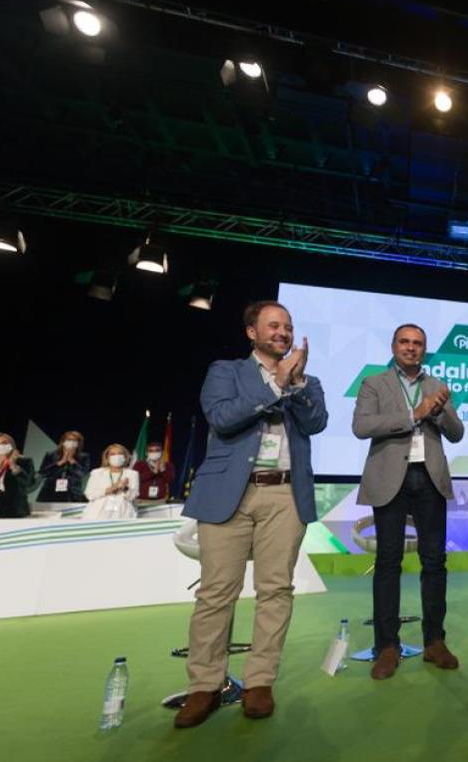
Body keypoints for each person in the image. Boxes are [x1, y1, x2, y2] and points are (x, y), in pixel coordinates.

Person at [174, 301, 327, 729]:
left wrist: (293, 386)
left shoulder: (307, 380)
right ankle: (204, 686)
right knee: (216, 593)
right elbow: (222, 419)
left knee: (275, 590)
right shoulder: (225, 371)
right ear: (251, 332)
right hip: (229, 494)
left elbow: (316, 424)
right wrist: (275, 385)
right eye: (274, 325)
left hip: (284, 495)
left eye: (289, 327)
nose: (283, 332)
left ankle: (261, 682)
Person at [352, 323, 465, 679]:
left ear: (425, 349)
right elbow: (361, 426)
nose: (411, 348)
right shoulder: (375, 383)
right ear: (394, 346)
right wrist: (414, 415)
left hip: (429, 478)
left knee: (435, 562)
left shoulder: (437, 386)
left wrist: (439, 410)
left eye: (418, 343)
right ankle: (386, 646)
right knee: (388, 562)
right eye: (405, 342)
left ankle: (435, 641)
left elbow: (457, 433)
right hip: (390, 478)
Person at [82, 443, 140, 520]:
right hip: (97, 513)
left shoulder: (132, 474)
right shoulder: (97, 473)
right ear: (107, 457)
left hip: (123, 513)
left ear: (125, 457)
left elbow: (133, 496)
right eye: (113, 454)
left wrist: (125, 488)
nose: (116, 456)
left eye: (120, 454)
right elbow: (89, 494)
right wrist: (110, 489)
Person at [36, 430, 90, 503]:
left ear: (78, 443)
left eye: (74, 440)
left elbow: (82, 474)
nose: (71, 442)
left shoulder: (83, 457)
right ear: (63, 441)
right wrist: (60, 462)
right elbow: (43, 472)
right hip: (50, 492)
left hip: (73, 494)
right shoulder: (51, 454)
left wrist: (72, 461)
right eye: (69, 440)